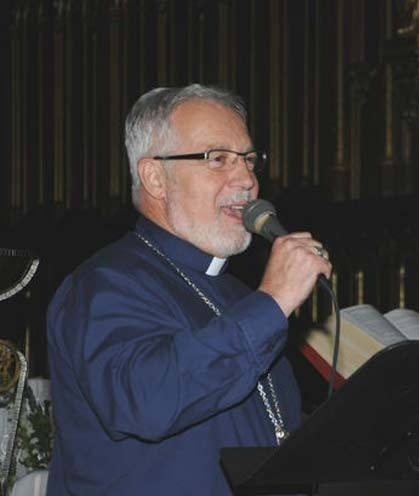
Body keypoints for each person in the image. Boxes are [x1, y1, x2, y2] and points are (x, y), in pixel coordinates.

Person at [46, 84, 332, 495]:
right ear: (155, 178)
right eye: (218, 159)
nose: (248, 180)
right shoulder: (102, 285)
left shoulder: (240, 295)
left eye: (249, 160)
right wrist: (273, 301)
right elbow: (147, 400)